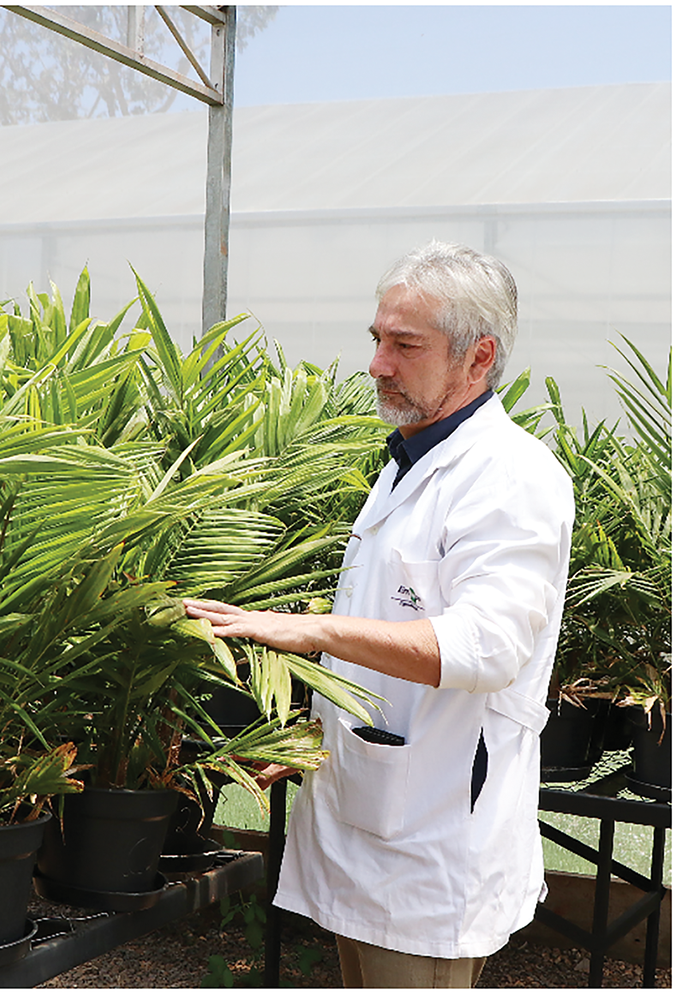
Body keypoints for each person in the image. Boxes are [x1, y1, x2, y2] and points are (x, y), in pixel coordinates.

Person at [185, 241, 575, 988]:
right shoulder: (410, 459)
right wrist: (316, 734)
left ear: (478, 356)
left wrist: (306, 630)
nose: (378, 364)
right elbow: (388, 630)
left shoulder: (511, 477)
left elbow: (486, 647)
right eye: (377, 339)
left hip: (432, 845)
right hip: (368, 816)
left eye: (405, 345)